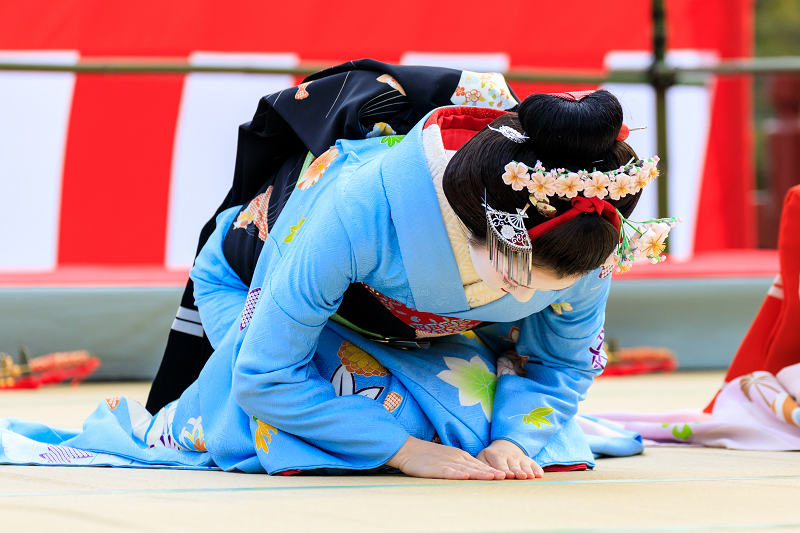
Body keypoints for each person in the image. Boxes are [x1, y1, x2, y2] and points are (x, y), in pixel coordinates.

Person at [0, 81, 669, 478]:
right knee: (403, 422)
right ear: (478, 222)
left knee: (479, 429)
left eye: (548, 284)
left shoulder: (581, 236)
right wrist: (405, 453)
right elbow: (264, 374)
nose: (523, 298)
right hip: (260, 289)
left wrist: (512, 439)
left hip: (421, 329)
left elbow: (558, 365)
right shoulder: (362, 207)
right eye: (514, 271)